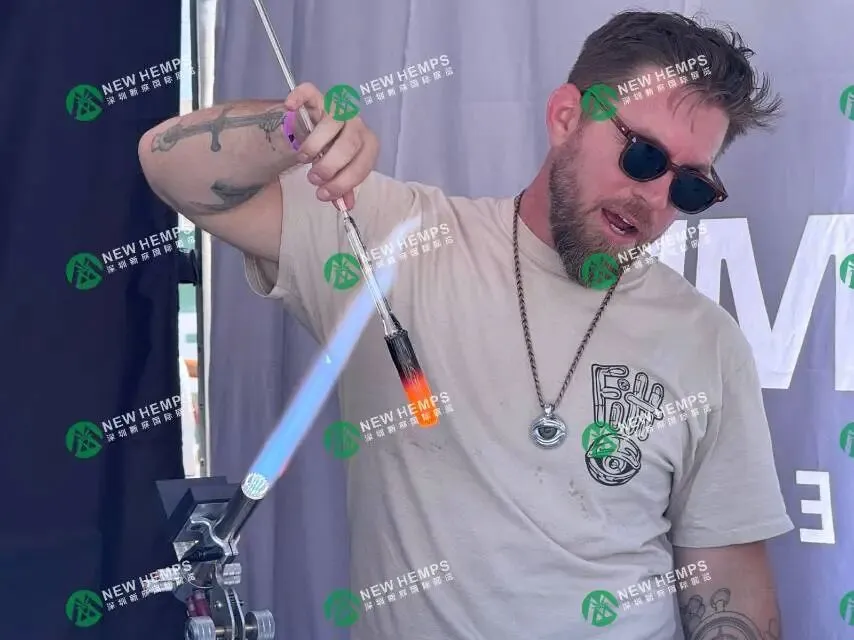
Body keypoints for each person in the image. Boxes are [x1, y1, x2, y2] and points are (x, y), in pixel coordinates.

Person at [138, 10, 792, 640]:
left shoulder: (706, 340)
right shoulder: (394, 239)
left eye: (690, 188)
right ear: (566, 116)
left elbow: (727, 573)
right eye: (643, 156)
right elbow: (171, 166)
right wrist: (292, 130)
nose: (654, 198)